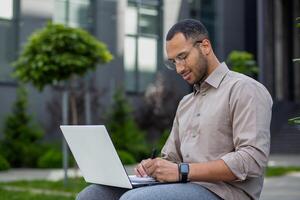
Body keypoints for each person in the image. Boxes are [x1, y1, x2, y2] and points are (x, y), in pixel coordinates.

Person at [76, 19, 272, 200]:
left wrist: (182, 171)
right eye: (173, 62)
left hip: (224, 192)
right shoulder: (186, 103)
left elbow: (253, 159)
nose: (179, 68)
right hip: (183, 184)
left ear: (205, 46)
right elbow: (171, 158)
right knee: (93, 194)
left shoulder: (245, 89)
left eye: (183, 57)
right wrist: (153, 166)